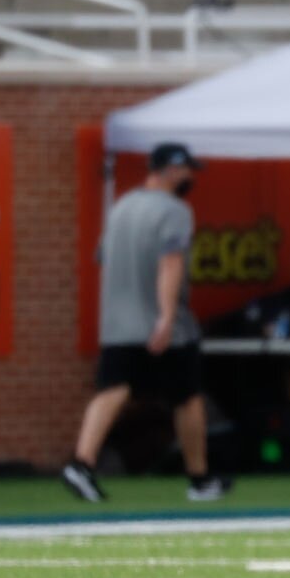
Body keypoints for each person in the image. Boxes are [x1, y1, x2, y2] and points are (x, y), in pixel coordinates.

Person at [62, 142, 230, 505]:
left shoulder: (121, 207)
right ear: (172, 169)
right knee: (187, 397)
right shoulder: (175, 211)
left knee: (112, 389)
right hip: (162, 324)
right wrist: (166, 316)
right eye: (187, 170)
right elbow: (171, 263)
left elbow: (103, 257)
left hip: (118, 322)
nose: (190, 178)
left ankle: (81, 462)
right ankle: (199, 478)